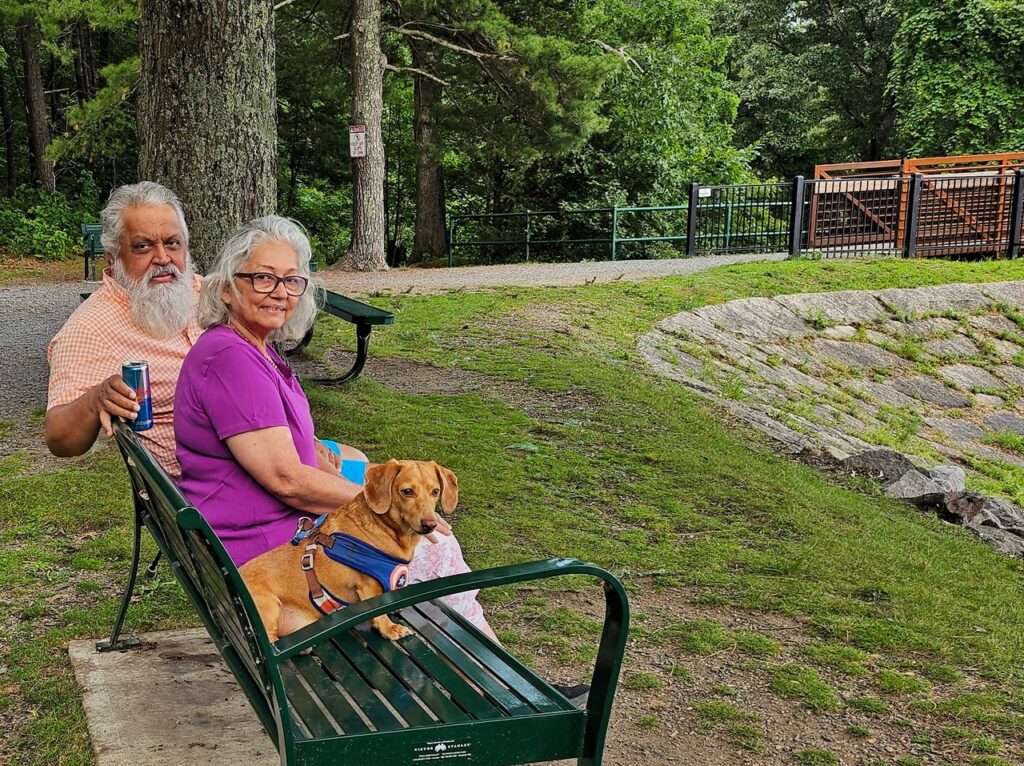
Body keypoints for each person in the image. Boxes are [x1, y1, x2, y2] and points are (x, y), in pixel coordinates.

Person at [172, 216, 495, 635]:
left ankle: (487, 674)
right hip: (270, 553)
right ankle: (500, 686)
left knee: (394, 503)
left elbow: (283, 445)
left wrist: (320, 450)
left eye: (291, 280)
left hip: (277, 533)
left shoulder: (254, 350)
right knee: (438, 546)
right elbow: (286, 479)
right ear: (228, 287)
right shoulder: (231, 360)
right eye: (263, 278)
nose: (280, 292)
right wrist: (385, 505)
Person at [45, 181, 202, 477]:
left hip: (261, 450)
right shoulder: (90, 328)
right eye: (143, 246)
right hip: (203, 490)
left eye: (172, 243)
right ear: (112, 257)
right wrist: (94, 400)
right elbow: (59, 439)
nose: (163, 258)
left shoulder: (203, 293)